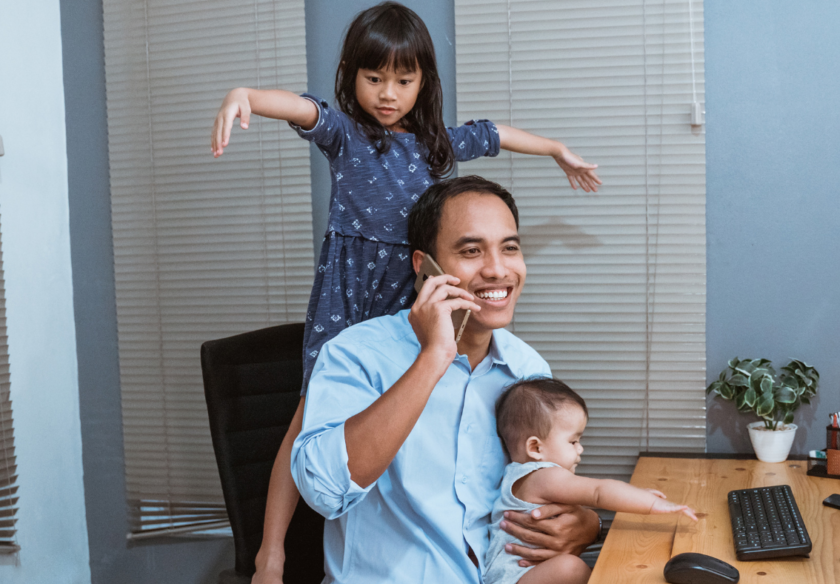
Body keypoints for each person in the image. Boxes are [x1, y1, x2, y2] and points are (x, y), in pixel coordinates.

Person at [208, 4, 602, 582]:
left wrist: (555, 149)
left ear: (424, 81)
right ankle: (271, 549)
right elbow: (301, 107)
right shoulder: (348, 135)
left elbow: (496, 135)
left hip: (410, 289)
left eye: (404, 80)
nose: (388, 94)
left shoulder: (435, 144)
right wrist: (244, 93)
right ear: (351, 73)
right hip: (354, 290)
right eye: (374, 79)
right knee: (306, 417)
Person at [291, 176, 601, 583]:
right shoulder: (356, 354)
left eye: (509, 248)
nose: (497, 269)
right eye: (471, 251)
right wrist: (434, 358)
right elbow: (324, 493)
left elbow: (543, 484)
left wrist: (586, 524)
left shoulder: (527, 368)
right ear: (424, 266)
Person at [485, 377, 698, 584]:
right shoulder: (543, 476)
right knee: (571, 568)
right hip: (515, 577)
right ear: (535, 448)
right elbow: (598, 491)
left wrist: (640, 494)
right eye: (573, 441)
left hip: (524, 573)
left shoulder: (518, 474)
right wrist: (653, 504)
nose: (580, 449)